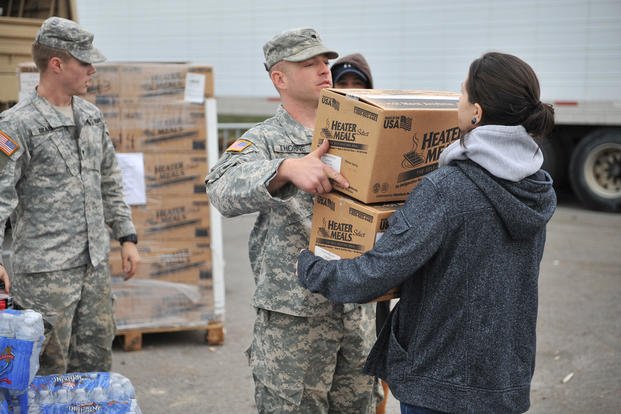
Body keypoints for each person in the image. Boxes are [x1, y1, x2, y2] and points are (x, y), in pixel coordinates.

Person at [297, 51, 556, 414]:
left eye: (463, 92)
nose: (457, 100)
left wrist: (310, 267)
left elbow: (375, 274)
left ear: (476, 113)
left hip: (440, 385)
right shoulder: (537, 186)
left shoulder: (447, 189)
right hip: (505, 380)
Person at [205, 28, 379, 413]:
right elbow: (219, 186)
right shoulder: (265, 140)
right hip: (295, 318)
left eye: (324, 61)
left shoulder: (353, 131)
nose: (323, 69)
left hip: (356, 309)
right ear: (279, 78)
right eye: (309, 63)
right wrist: (284, 168)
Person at [0, 16, 140, 375]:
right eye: (84, 62)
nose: (92, 69)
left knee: (94, 367)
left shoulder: (91, 117)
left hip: (93, 269)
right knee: (45, 370)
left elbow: (109, 179)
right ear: (57, 64)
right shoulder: (17, 125)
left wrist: (126, 236)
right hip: (45, 273)